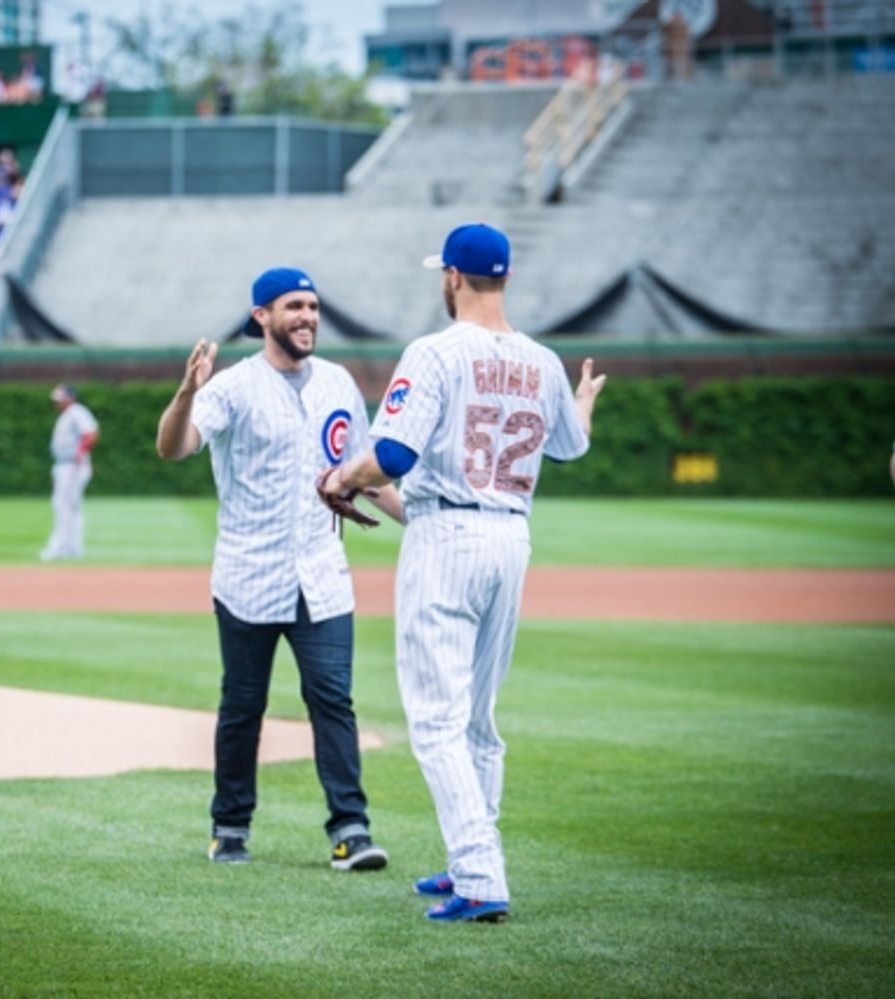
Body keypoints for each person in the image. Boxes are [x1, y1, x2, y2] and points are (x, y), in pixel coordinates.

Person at [318, 223, 606, 922]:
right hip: (511, 535)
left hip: (445, 531)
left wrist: (340, 476)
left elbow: (390, 456)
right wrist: (584, 401)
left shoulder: (436, 350)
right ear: (502, 279)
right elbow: (571, 444)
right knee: (477, 719)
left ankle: (480, 875)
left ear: (451, 277)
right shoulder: (541, 359)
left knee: (438, 721)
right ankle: (466, 859)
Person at [156, 266, 403, 870]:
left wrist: (423, 521)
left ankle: (351, 830)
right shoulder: (233, 387)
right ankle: (230, 825)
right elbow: (174, 447)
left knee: (332, 701)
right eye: (293, 306)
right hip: (248, 574)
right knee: (243, 705)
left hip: (321, 571)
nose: (307, 317)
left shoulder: (339, 384)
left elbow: (366, 477)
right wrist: (188, 390)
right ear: (262, 316)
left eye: (313, 307)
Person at [40, 383, 100, 562]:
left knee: (63, 505)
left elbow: (90, 433)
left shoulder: (76, 412)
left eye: (60, 399)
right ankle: (73, 547)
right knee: (70, 506)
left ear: (70, 398)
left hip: (72, 466)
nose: (57, 403)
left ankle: (61, 547)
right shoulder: (67, 415)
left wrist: (79, 456)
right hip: (65, 465)